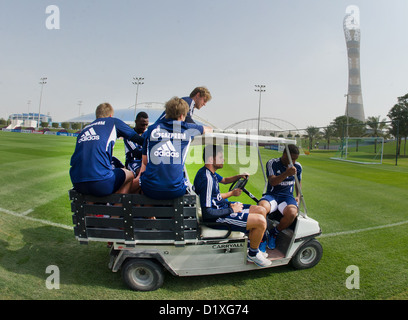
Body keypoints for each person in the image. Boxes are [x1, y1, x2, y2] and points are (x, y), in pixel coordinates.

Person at [193, 144, 272, 268]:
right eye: (220, 157)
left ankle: (253, 246)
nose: (223, 159)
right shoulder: (206, 178)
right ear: (211, 160)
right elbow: (208, 213)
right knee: (261, 221)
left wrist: (238, 177)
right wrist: (231, 209)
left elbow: (224, 180)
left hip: (223, 208)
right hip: (218, 217)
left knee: (260, 210)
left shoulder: (210, 173)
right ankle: (253, 253)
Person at [139, 97, 212, 200]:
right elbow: (208, 129)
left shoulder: (151, 129)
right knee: (185, 183)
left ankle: (149, 215)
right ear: (182, 115)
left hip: (150, 189)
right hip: (175, 190)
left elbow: (145, 161)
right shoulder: (189, 129)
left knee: (144, 181)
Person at [69, 102, 144, 197]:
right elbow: (139, 140)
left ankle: (92, 212)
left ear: (97, 116)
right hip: (101, 183)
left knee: (90, 186)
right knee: (129, 174)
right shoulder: (112, 122)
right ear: (110, 115)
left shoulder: (85, 129)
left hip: (77, 183)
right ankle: (118, 209)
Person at [258, 144, 302, 249]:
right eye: (292, 159)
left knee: (292, 213)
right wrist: (286, 173)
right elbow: (273, 182)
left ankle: (274, 233)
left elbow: (298, 183)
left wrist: (298, 196)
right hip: (272, 195)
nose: (294, 162)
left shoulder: (298, 167)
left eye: (296, 159)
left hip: (287, 197)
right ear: (284, 155)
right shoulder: (272, 163)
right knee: (261, 208)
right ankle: (262, 237)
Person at [124, 111, 149, 176]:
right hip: (132, 162)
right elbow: (136, 153)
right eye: (142, 125)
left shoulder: (147, 134)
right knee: (142, 172)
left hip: (144, 162)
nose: (144, 127)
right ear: (136, 122)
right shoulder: (129, 135)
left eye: (146, 125)